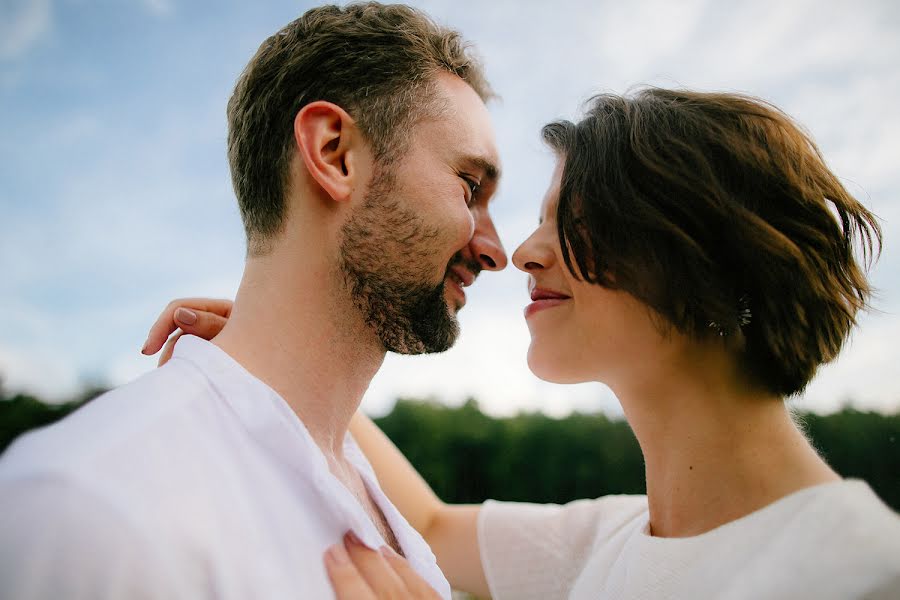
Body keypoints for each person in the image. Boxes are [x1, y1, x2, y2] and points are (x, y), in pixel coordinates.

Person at [156, 89, 900, 599]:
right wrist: (274, 352)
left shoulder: (865, 570)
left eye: (573, 219)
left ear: (707, 255)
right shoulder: (602, 544)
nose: (522, 253)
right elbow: (432, 525)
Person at [0, 4, 506, 599]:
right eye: (470, 188)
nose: (495, 250)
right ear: (336, 153)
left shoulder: (367, 489)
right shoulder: (87, 508)